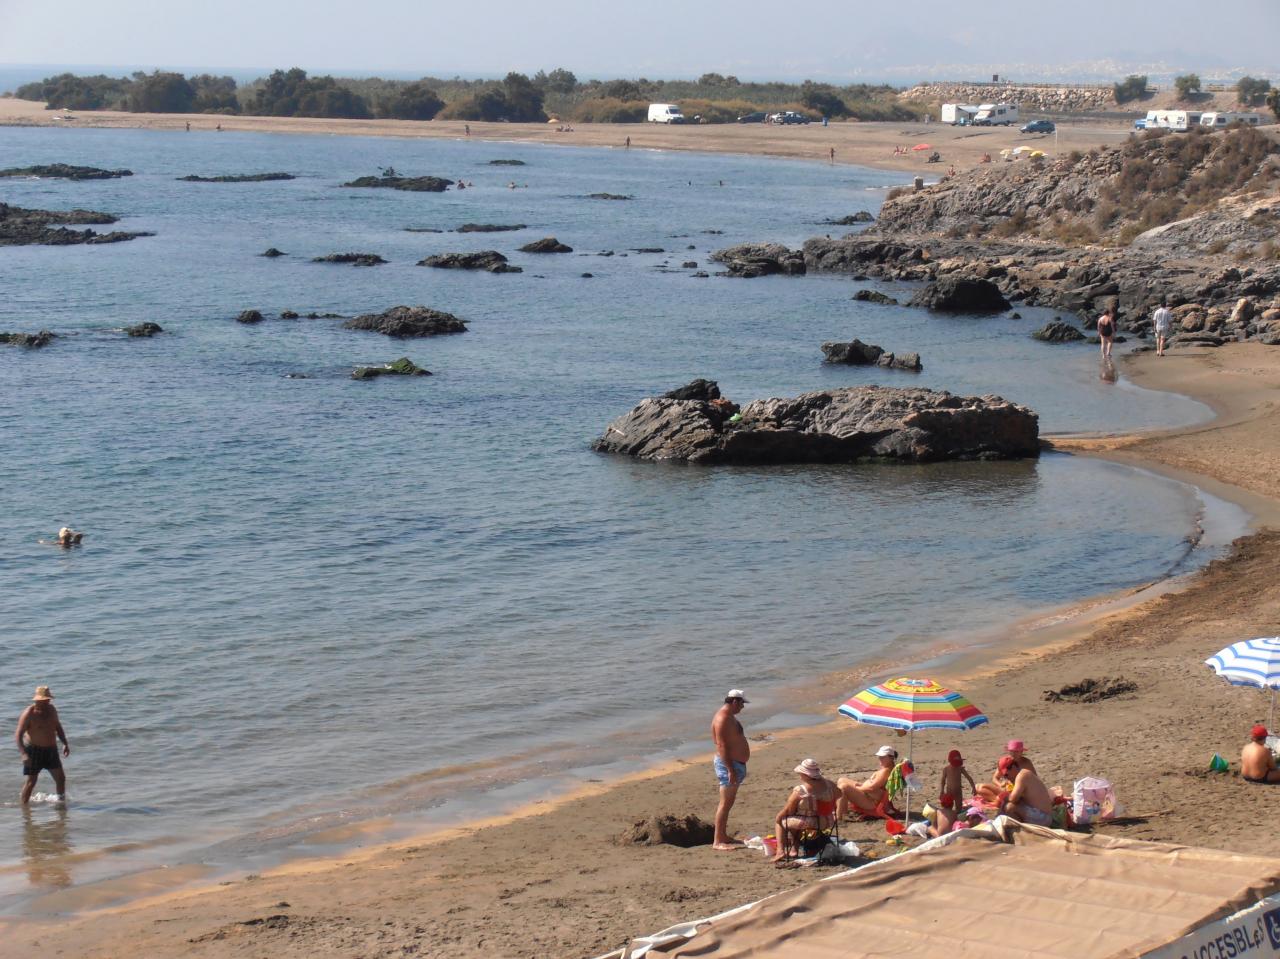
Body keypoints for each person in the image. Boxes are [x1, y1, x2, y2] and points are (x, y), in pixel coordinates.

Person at [772, 759, 839, 861]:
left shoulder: (801, 790)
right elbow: (840, 794)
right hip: (828, 819)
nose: (800, 776)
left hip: (812, 822)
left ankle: (780, 851)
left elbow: (788, 811)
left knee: (780, 820)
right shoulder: (829, 784)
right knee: (795, 821)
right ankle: (794, 849)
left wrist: (779, 816)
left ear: (806, 775)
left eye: (801, 774)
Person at [15, 687, 69, 804]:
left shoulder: (52, 710)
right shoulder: (29, 713)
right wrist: (24, 754)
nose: (48, 702)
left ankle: (61, 804)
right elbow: (18, 735)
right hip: (34, 751)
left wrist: (65, 743)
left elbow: (58, 727)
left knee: (61, 779)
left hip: (51, 750)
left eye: (48, 699)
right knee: (31, 782)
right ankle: (24, 809)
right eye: (45, 700)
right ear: (37, 700)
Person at [711, 689, 750, 850]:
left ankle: (723, 836)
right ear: (734, 701)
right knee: (725, 803)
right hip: (729, 765)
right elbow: (721, 746)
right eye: (741, 703)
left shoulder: (729, 717)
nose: (743, 707)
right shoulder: (722, 719)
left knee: (729, 802)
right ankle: (717, 841)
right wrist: (730, 769)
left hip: (735, 764)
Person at [836, 745, 898, 819]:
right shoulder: (888, 769)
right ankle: (843, 811)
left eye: (882, 757)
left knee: (843, 787)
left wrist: (858, 787)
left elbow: (871, 788)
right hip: (869, 795)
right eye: (879, 756)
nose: (879, 758)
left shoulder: (886, 771)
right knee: (841, 780)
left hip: (871, 801)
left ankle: (838, 816)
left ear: (891, 758)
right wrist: (860, 786)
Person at [1000, 757, 1054, 826]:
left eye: (1006, 775)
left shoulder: (1022, 776)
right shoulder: (1024, 773)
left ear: (1013, 767)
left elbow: (1012, 798)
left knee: (1010, 807)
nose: (1007, 778)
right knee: (1009, 805)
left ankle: (1021, 831)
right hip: (1044, 815)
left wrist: (1003, 796)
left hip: (1044, 818)